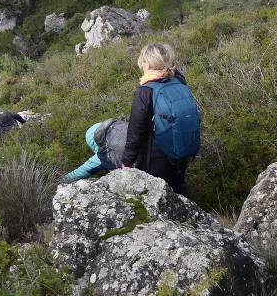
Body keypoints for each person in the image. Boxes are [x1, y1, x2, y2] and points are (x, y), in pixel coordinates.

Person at [120, 42, 199, 195]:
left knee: (154, 196)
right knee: (178, 189)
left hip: (156, 156)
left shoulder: (145, 91)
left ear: (147, 63)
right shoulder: (179, 81)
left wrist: (127, 161)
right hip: (182, 149)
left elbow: (136, 130)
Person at [63, 117, 128, 181]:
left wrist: (61, 180)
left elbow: (78, 173)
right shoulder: (121, 124)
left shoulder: (103, 155)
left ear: (94, 143)